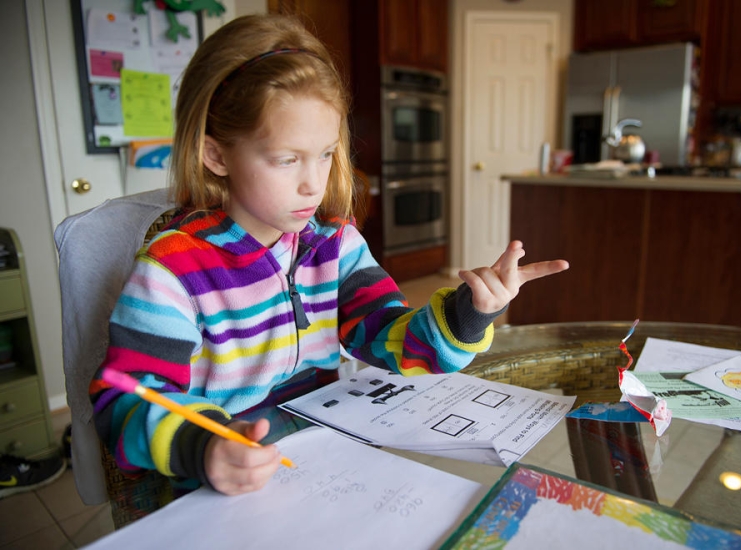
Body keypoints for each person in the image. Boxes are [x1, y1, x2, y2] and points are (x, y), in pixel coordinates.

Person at [89, 14, 569, 498]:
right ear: (216, 155)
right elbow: (123, 399)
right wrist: (204, 446)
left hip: (325, 464)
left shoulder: (334, 245)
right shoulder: (174, 269)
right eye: (286, 159)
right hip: (219, 488)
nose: (313, 183)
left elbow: (387, 335)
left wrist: (470, 313)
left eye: (325, 154)